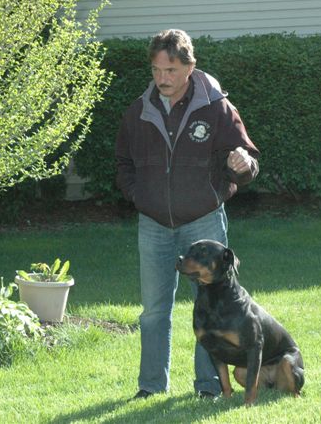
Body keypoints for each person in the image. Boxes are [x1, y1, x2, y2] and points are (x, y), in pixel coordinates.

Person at [115, 29, 260, 401]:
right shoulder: (138, 111)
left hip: (204, 223)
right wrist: (139, 197)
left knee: (212, 309)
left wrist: (242, 164)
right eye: (156, 70)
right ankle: (151, 386)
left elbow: (246, 159)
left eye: (171, 70)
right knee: (153, 311)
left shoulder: (216, 108)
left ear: (190, 67)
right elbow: (123, 163)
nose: (162, 78)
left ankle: (209, 386)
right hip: (153, 225)